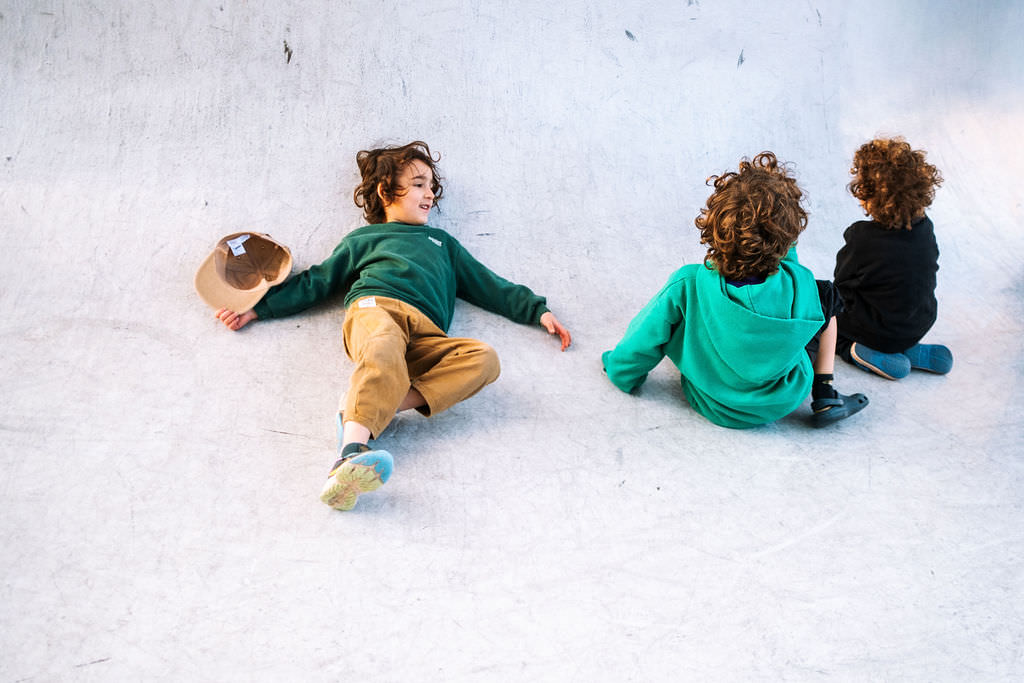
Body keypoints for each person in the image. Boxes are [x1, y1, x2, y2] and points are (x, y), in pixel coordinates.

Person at [213, 141, 571, 510]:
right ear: (386, 192)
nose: (429, 193)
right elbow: (316, 282)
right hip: (376, 311)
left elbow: (488, 284)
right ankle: (350, 453)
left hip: (426, 334)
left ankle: (362, 410)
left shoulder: (442, 243)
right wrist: (259, 309)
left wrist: (535, 310)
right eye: (418, 184)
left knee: (485, 359)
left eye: (432, 186)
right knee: (382, 343)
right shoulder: (363, 240)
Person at [602, 152, 867, 429]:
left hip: (711, 399)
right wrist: (777, 229)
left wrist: (620, 373)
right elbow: (786, 260)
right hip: (781, 400)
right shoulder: (800, 286)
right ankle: (825, 391)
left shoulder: (687, 284)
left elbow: (643, 337)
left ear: (714, 224)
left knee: (674, 318)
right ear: (788, 237)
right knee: (828, 303)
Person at [833, 137, 951, 379]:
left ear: (868, 194)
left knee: (828, 311)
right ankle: (907, 347)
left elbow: (842, 284)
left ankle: (858, 350)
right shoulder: (925, 228)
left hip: (879, 329)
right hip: (919, 321)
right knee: (895, 292)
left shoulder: (861, 238)